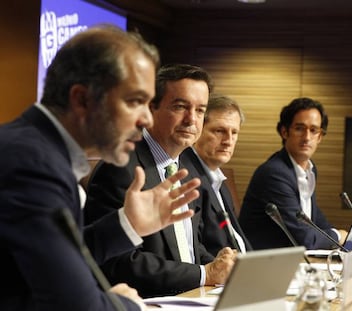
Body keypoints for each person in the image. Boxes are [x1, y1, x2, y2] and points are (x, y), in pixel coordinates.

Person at [0, 26, 203, 311]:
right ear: (82, 99)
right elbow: (72, 305)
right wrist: (130, 306)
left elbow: (59, 256)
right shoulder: (32, 164)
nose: (146, 119)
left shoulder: (37, 150)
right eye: (135, 101)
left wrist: (127, 224)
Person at [84, 64, 236, 298]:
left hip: (191, 298)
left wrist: (221, 268)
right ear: (151, 108)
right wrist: (204, 274)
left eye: (200, 110)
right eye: (180, 106)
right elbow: (121, 262)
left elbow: (190, 248)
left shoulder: (186, 168)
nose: (191, 119)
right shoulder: (122, 167)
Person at [239, 97, 347, 250]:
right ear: (284, 132)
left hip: (292, 260)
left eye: (314, 130)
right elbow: (305, 240)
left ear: (320, 137)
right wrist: (338, 236)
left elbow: (313, 219)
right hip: (267, 263)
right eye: (299, 128)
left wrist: (336, 235)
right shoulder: (275, 173)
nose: (307, 137)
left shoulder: (309, 169)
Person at [182, 94, 252, 256]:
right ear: (198, 129)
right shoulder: (186, 176)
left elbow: (234, 237)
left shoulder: (220, 181)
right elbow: (192, 247)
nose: (228, 140)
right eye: (219, 131)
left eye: (234, 133)